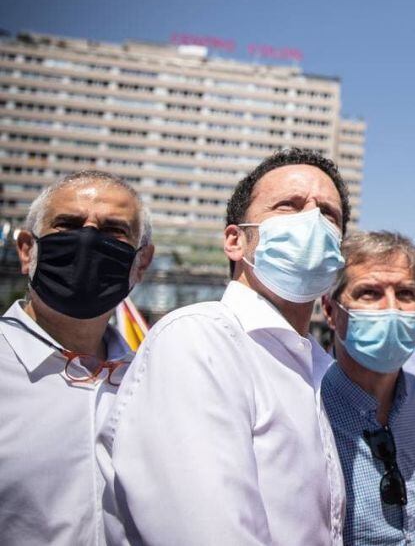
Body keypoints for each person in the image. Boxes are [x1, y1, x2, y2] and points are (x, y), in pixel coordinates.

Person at [98, 148, 348, 545]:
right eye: (290, 206)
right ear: (235, 241)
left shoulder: (317, 369)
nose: (312, 223)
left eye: (328, 215)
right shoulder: (200, 340)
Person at [0, 171, 153, 545]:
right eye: (66, 225)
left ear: (141, 263)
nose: (88, 240)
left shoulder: (155, 379)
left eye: (114, 231)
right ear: (26, 251)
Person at [320, 231, 415, 545]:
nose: (391, 309)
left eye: (405, 293)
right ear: (331, 312)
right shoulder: (311, 408)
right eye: (369, 293)